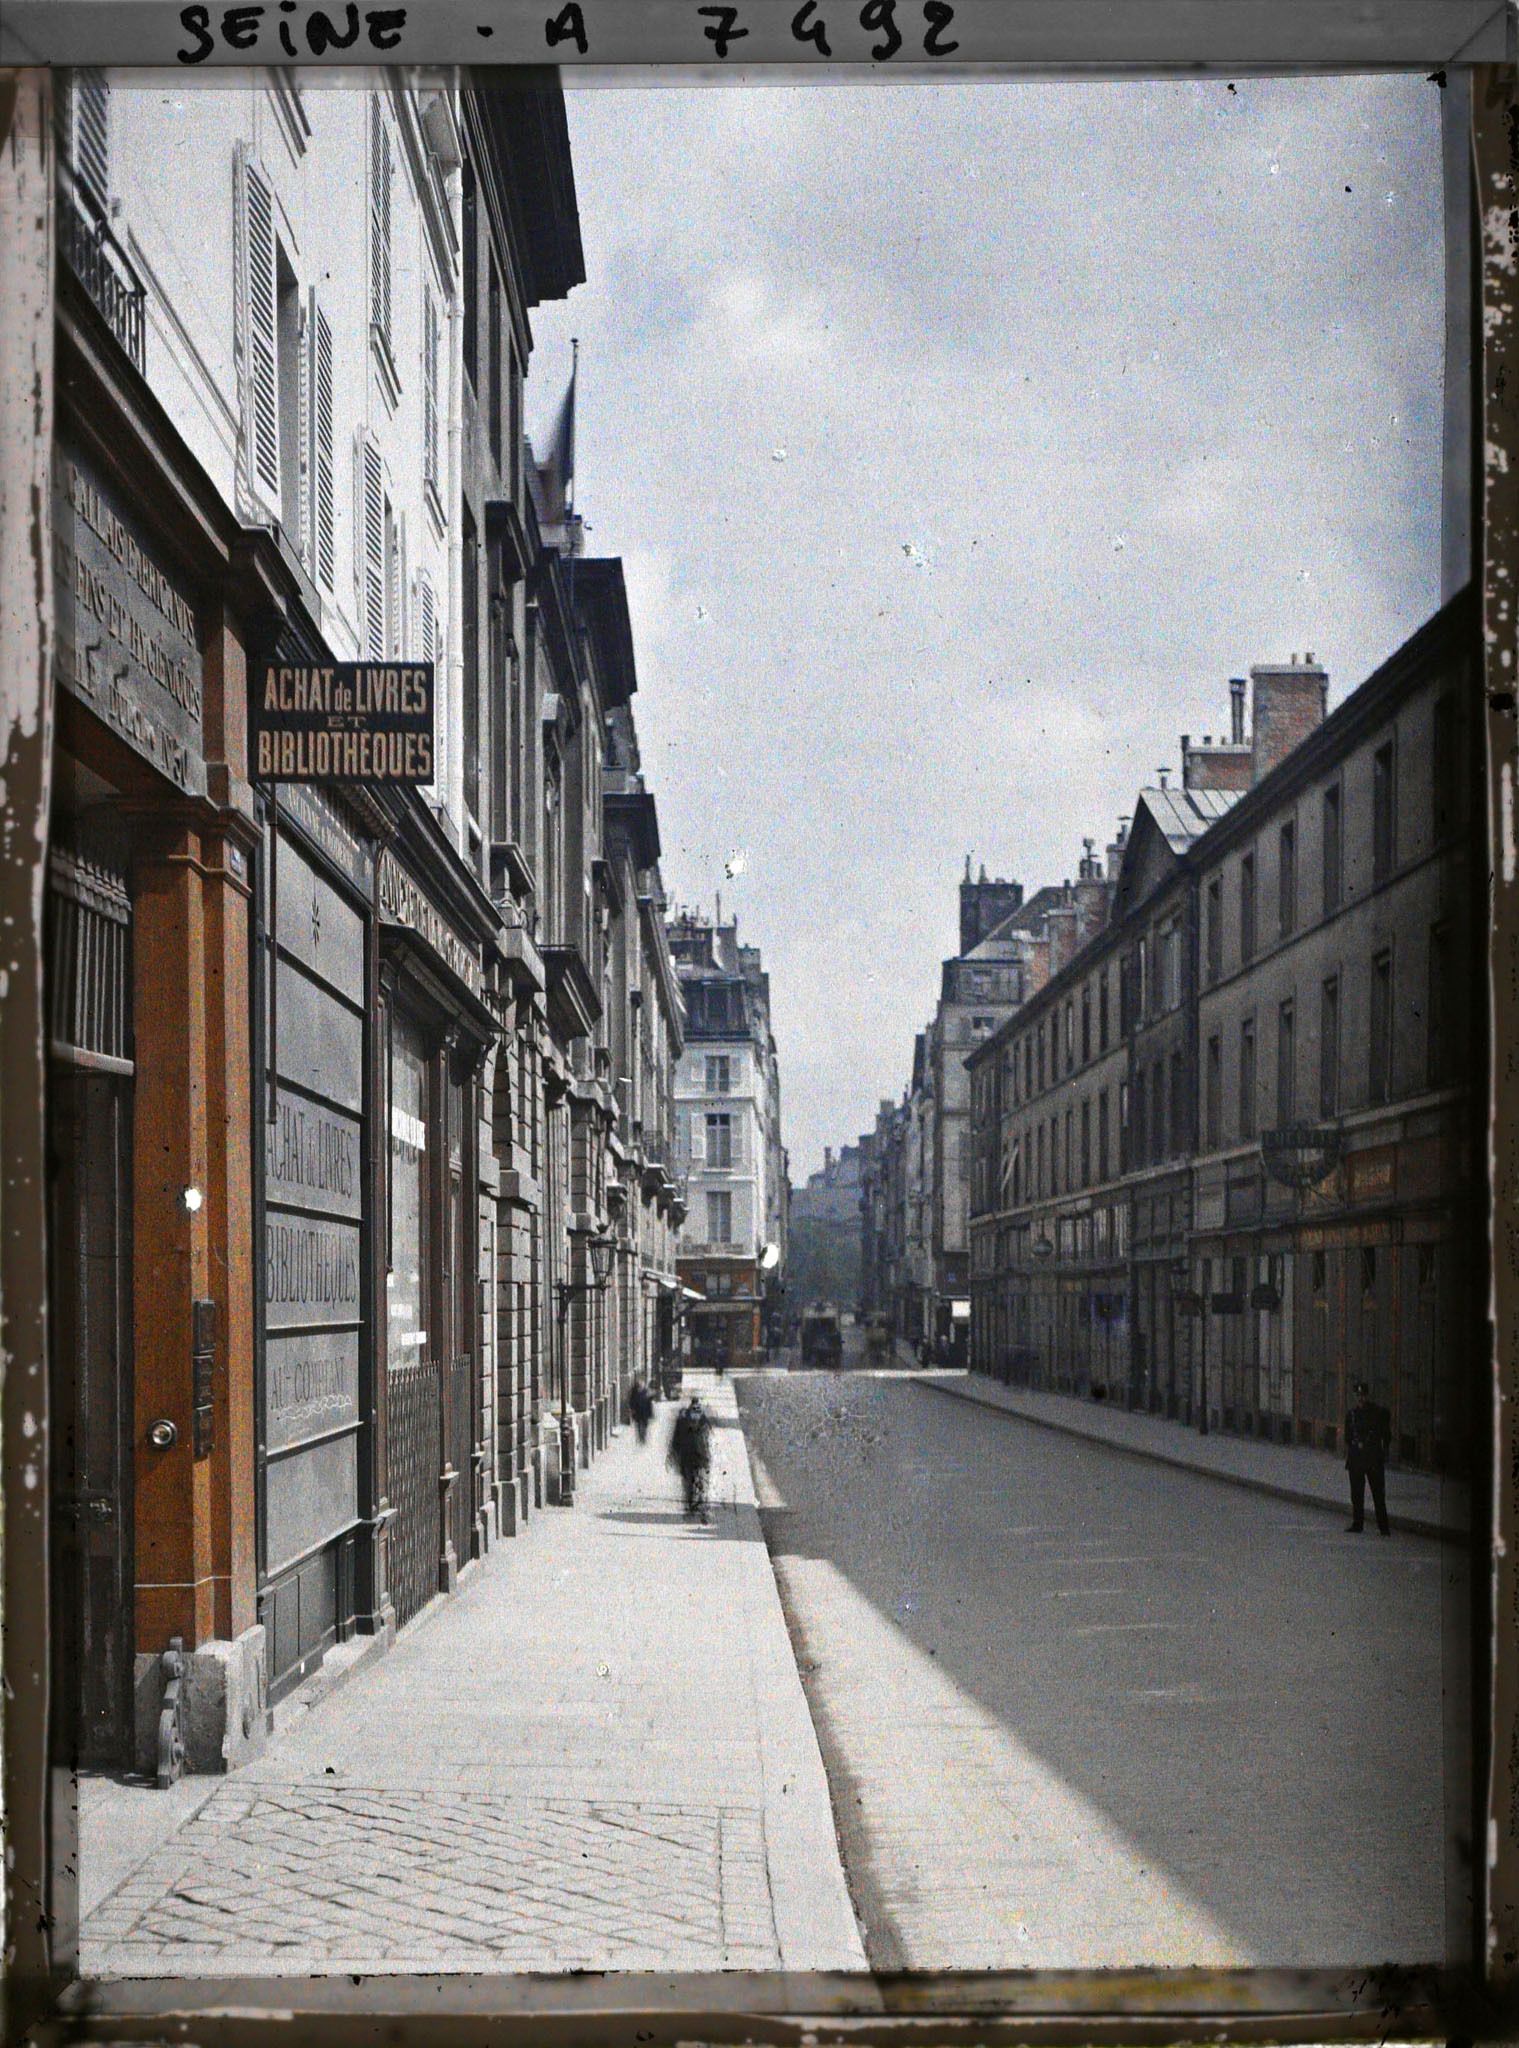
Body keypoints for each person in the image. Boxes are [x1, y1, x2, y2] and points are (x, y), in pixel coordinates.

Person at [1344, 1379, 1392, 1536]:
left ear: (1367, 1395)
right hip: (1356, 1460)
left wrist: (1383, 1451)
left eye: (1363, 1395)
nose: (1360, 1398)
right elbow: (1348, 1437)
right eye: (1358, 1395)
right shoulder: (1351, 1415)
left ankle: (1383, 1526)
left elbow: (1386, 1434)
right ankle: (1357, 1523)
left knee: (1378, 1494)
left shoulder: (1377, 1413)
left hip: (1373, 1460)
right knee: (1356, 1494)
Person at [668, 1392, 713, 1521]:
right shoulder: (704, 1418)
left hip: (686, 1454)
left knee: (688, 1481)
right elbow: (707, 1437)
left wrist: (674, 1451)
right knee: (701, 1479)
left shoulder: (683, 1417)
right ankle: (699, 1502)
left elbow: (676, 1437)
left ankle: (690, 1505)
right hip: (700, 1455)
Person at [627, 1375, 654, 1446]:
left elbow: (649, 1403)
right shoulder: (634, 1391)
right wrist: (632, 1409)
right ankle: (640, 1437)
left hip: (645, 1412)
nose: (640, 1384)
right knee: (639, 1424)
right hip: (638, 1412)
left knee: (645, 1425)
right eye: (639, 1384)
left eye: (641, 1383)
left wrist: (650, 1413)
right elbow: (631, 1401)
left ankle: (643, 1437)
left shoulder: (645, 1391)